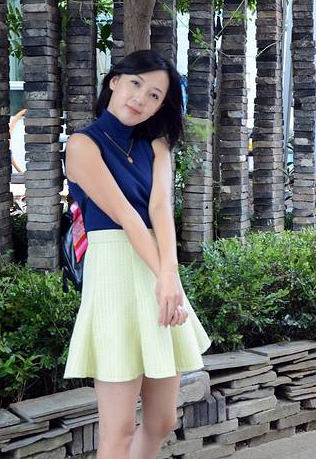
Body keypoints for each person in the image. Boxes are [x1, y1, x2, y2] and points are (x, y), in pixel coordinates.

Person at [63, 49, 211, 459]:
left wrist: (169, 275)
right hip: (113, 272)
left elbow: (160, 209)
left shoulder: (157, 146)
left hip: (158, 270)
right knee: (120, 431)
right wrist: (166, 276)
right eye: (135, 84)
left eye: (154, 95)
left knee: (162, 420)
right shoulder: (82, 145)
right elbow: (127, 216)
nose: (140, 98)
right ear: (114, 81)